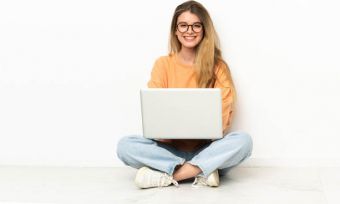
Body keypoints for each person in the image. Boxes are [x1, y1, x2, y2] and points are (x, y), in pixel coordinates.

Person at [116, 0, 252, 189]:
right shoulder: (163, 65)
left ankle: (171, 175)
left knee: (243, 141)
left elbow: (224, 119)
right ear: (175, 30)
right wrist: (163, 132)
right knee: (125, 146)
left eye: (196, 25)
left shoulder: (218, 66)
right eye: (183, 25)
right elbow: (154, 111)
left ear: (204, 30)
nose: (190, 30)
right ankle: (202, 171)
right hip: (169, 151)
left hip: (207, 149)